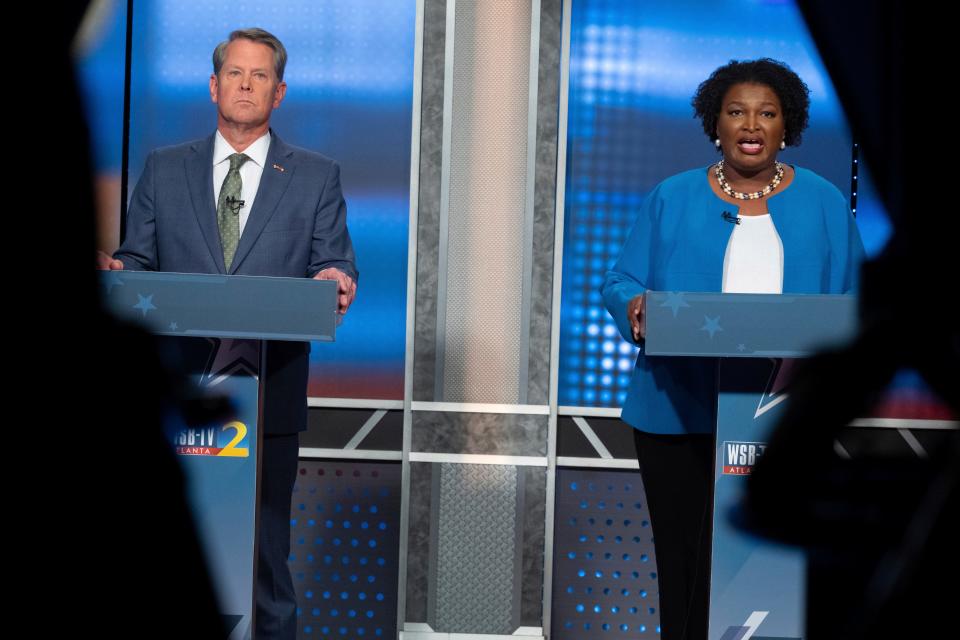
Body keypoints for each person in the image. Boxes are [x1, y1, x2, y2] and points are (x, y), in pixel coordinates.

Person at [96, 28, 358, 640]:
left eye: (259, 75)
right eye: (235, 73)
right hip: (177, 398)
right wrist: (116, 273)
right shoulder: (165, 169)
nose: (245, 84)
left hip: (270, 398)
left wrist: (333, 277)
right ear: (214, 86)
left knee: (266, 558)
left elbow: (336, 263)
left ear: (280, 91)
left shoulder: (317, 176)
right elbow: (138, 263)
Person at [601, 58, 865, 640]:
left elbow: (855, 297)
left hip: (781, 417)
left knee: (768, 559)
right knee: (685, 561)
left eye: (767, 113)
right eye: (736, 112)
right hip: (677, 411)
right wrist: (636, 307)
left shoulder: (823, 202)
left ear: (787, 126)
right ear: (714, 124)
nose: (751, 125)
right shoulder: (672, 196)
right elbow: (621, 281)